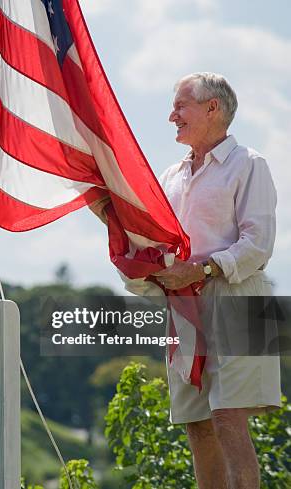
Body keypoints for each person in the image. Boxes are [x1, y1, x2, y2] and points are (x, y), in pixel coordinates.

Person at [151, 73, 281, 489]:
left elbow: (258, 244)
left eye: (181, 105)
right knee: (197, 424)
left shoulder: (250, 164)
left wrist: (204, 269)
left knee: (227, 416)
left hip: (241, 300)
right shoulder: (171, 175)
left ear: (213, 108)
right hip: (185, 306)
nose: (172, 115)